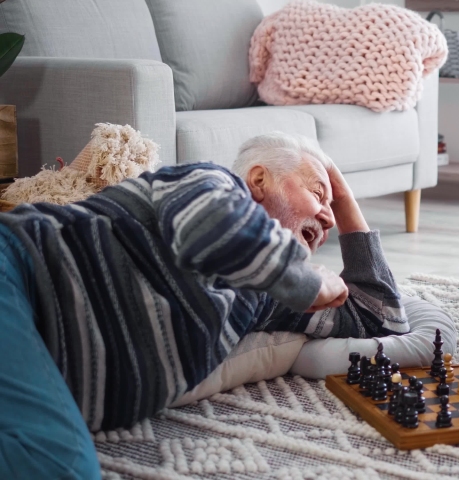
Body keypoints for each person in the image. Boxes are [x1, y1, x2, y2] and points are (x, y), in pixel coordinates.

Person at [0, 132, 415, 479]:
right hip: (19, 275)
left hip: (44, 352)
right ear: (258, 180)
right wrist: (306, 281)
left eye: (330, 207)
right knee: (58, 464)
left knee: (60, 464)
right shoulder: (207, 183)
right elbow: (212, 230)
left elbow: (380, 316)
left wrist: (344, 201)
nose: (326, 219)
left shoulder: (267, 296)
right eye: (316, 193)